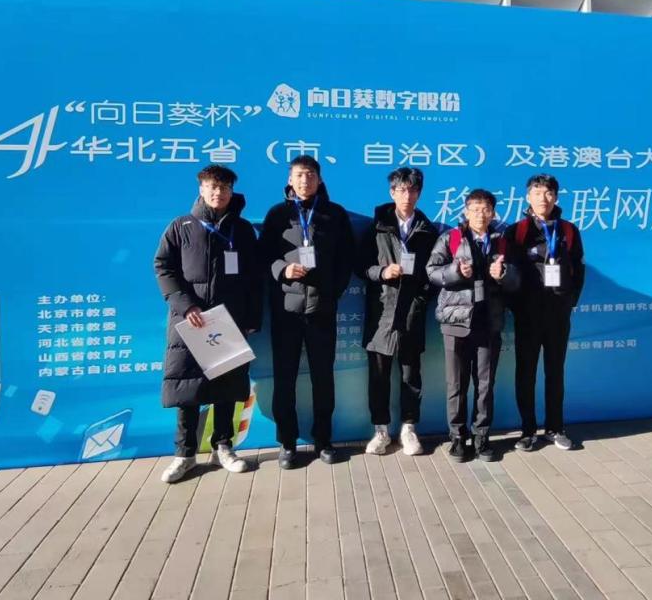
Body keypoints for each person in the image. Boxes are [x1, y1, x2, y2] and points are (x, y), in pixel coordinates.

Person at [154, 164, 262, 483]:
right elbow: (164, 267)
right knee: (188, 389)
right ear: (201, 189)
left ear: (232, 191)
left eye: (224, 187)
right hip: (191, 321)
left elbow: (254, 278)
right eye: (213, 186)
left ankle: (223, 447)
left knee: (227, 387)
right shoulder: (181, 226)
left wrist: (251, 318)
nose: (219, 193)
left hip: (229, 320)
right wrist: (186, 305)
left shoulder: (242, 230)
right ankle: (184, 454)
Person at [258, 155, 354, 469]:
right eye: (299, 174)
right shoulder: (277, 214)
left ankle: (323, 440)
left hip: (322, 310)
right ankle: (287, 442)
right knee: (284, 378)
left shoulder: (335, 214)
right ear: (290, 180)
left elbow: (346, 259)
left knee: (323, 378)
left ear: (319, 179)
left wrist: (332, 292)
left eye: (310, 174)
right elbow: (263, 256)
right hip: (286, 310)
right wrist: (283, 270)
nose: (305, 180)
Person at [427, 189, 519, 462]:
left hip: (489, 321)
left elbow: (518, 281)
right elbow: (431, 271)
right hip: (456, 322)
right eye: (475, 209)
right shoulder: (451, 238)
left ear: (493, 213)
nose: (480, 214)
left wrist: (504, 273)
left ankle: (482, 436)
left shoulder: (502, 242)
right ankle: (457, 438)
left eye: (486, 209)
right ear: (466, 211)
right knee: (456, 384)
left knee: (485, 385)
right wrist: (456, 271)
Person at [358, 167, 439, 456]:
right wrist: (381, 272)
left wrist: (420, 300)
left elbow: (434, 273)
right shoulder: (376, 228)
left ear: (419, 193)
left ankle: (408, 429)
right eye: (402, 189)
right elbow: (360, 266)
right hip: (382, 311)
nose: (407, 195)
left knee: (410, 375)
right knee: (378, 376)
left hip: (411, 313)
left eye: (413, 189)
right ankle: (381, 430)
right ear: (392, 192)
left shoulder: (428, 231)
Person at [506, 173, 585, 451]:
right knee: (525, 373)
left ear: (556, 197)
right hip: (527, 316)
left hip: (558, 315)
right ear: (528, 197)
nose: (543, 198)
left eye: (549, 192)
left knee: (555, 372)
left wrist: (569, 301)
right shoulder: (517, 231)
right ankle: (527, 430)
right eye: (537, 192)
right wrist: (517, 306)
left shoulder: (569, 231)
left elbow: (579, 269)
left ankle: (555, 428)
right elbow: (508, 274)